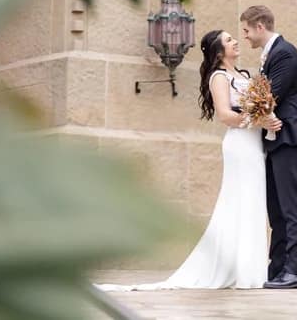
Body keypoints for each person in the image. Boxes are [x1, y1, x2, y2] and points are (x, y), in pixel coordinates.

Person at [96, 29, 281, 291]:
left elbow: (256, 106)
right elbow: (225, 116)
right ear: (218, 51)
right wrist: (259, 120)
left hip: (254, 145)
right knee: (241, 200)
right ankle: (243, 273)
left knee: (253, 202)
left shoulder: (245, 75)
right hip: (239, 145)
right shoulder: (219, 77)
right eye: (229, 40)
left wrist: (267, 117)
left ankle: (250, 268)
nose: (236, 41)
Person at [240, 5, 297, 290]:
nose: (244, 36)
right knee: (277, 209)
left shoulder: (285, 53)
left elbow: (270, 98)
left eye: (246, 30)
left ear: (260, 26)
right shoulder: (269, 54)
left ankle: (294, 271)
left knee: (291, 207)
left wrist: (248, 108)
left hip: (289, 138)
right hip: (274, 141)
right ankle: (278, 269)